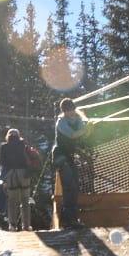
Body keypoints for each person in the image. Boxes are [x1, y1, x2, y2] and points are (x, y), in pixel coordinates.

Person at [52, 98, 90, 229]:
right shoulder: (61, 122)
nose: (71, 112)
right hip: (60, 157)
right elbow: (73, 135)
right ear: (64, 112)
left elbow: (83, 134)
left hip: (70, 157)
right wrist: (85, 130)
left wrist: (88, 129)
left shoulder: (78, 120)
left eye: (72, 109)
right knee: (69, 187)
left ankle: (72, 218)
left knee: (75, 188)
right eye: (67, 111)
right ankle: (69, 219)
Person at [0, 128, 35, 231]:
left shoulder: (4, 147)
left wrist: (3, 178)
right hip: (24, 174)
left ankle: (12, 225)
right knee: (25, 200)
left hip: (11, 174)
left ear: (8, 136)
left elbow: (3, 163)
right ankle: (26, 225)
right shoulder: (23, 145)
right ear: (18, 135)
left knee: (12, 201)